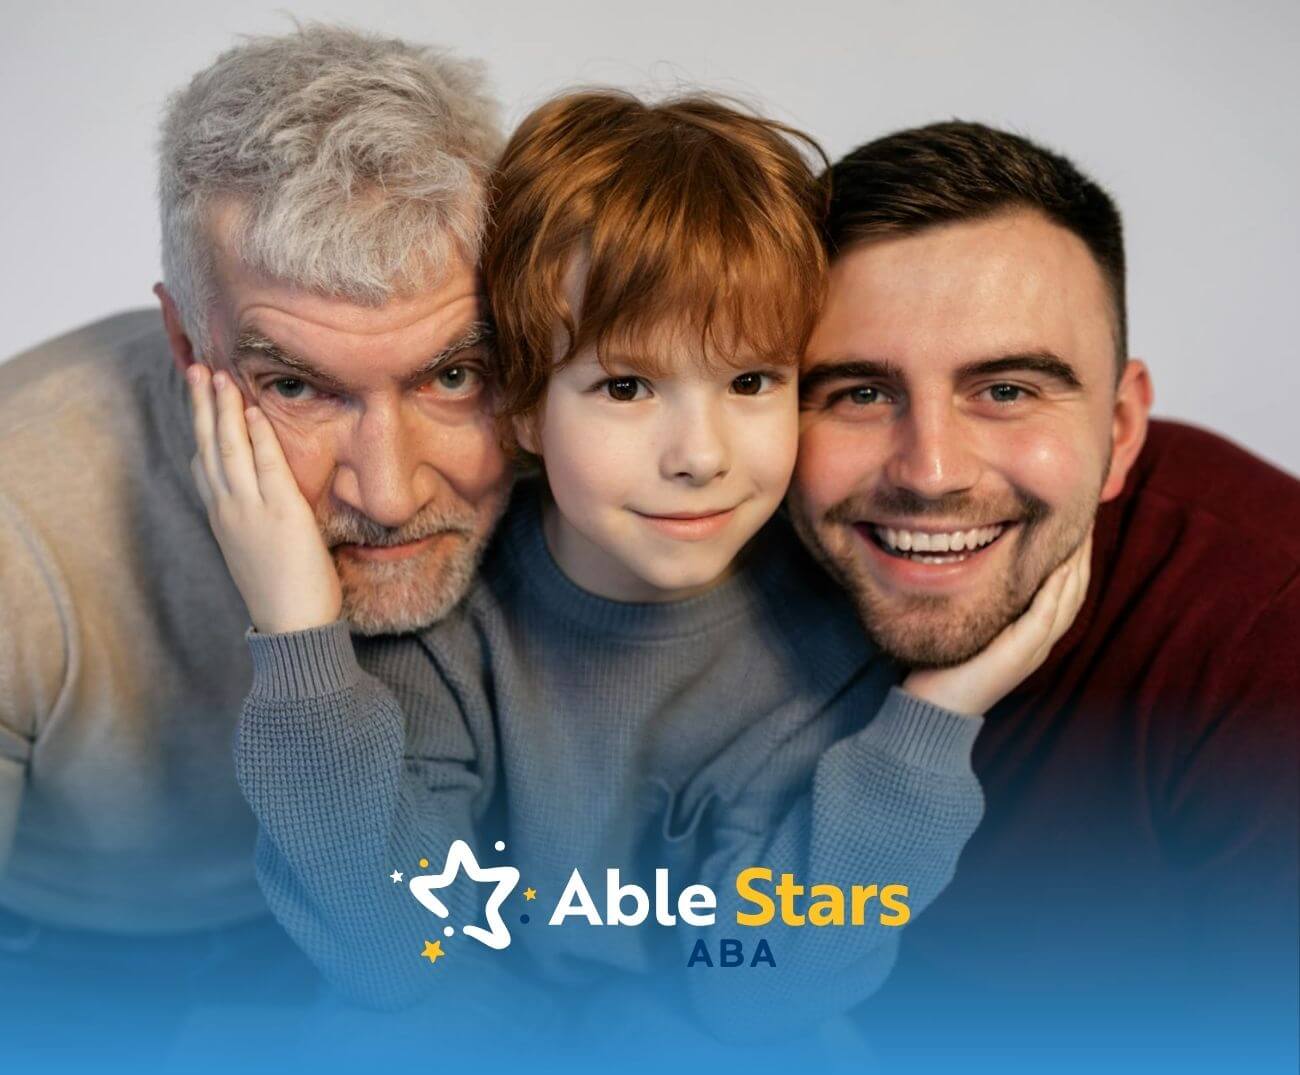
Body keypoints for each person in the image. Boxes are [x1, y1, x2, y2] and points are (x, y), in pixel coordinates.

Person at [194, 92, 1090, 1050]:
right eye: (626, 386)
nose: (699, 455)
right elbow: (396, 955)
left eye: (751, 382)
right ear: (525, 407)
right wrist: (299, 640)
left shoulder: (830, 638)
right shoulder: (446, 616)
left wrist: (931, 724)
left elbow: (756, 988)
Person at [0, 23, 510, 1060]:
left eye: (452, 375)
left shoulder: (580, 436)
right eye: (293, 386)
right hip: (79, 964)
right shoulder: (16, 517)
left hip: (447, 924)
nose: (390, 490)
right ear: (186, 341)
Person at [789, 120, 1300, 1064]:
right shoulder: (698, 559)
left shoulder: (1269, 622)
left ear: (1121, 428)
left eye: (1009, 389)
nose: (931, 471)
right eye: (858, 393)